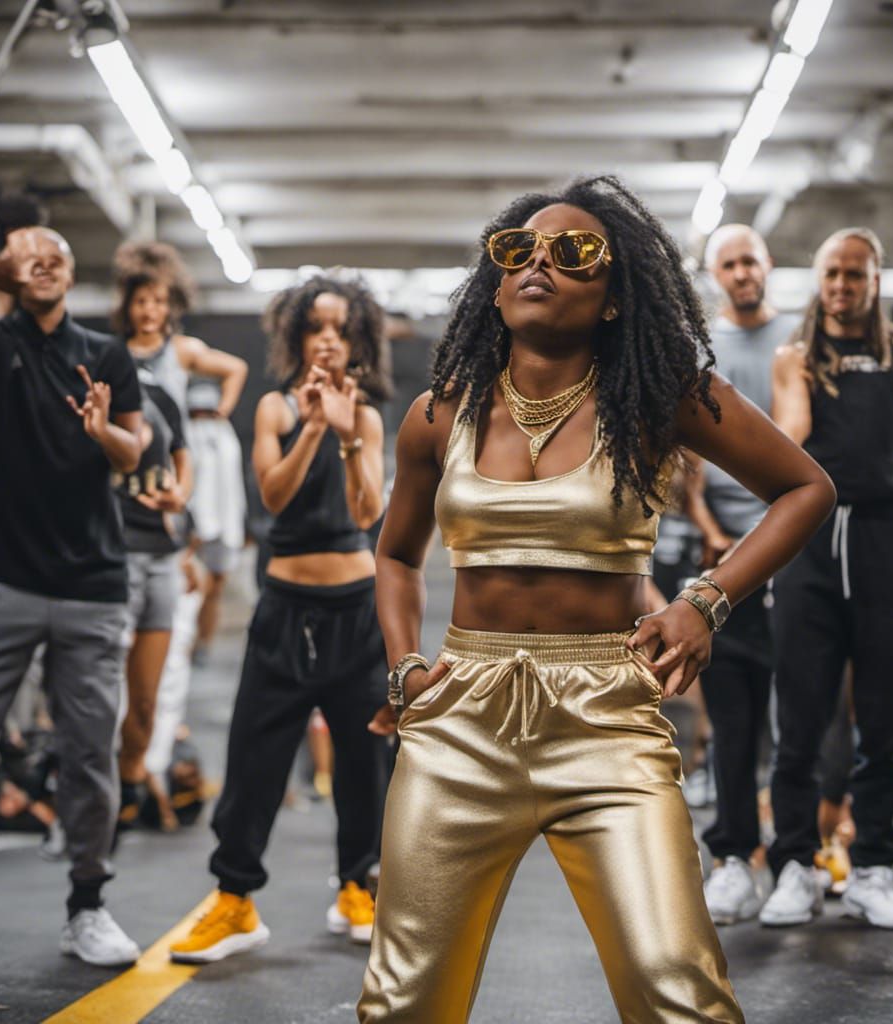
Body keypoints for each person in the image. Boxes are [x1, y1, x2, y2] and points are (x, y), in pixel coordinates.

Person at [357, 176, 835, 1023]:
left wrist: (704, 601)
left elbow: (805, 488)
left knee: (677, 990)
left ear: (615, 299)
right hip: (460, 718)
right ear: (495, 283)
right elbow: (395, 556)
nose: (540, 260)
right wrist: (407, 672)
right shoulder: (437, 415)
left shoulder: (659, 399)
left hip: (607, 716)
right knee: (406, 1003)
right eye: (520, 249)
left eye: (576, 252)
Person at [170, 274, 393, 963]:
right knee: (255, 760)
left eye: (340, 326)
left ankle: (358, 886)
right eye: (316, 326)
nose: (328, 337)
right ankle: (235, 902)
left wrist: (351, 437)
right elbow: (274, 493)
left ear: (356, 339)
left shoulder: (372, 414)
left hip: (356, 612)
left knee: (366, 763)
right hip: (286, 610)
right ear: (296, 335)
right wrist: (314, 427)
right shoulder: (273, 408)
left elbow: (365, 515)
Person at [761, 227, 893, 931]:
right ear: (818, 278)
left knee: (884, 721)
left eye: (855, 275)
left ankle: (871, 867)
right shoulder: (794, 355)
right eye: (832, 273)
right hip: (811, 539)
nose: (842, 285)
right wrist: (802, 388)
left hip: (885, 538)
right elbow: (790, 436)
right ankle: (796, 866)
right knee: (801, 716)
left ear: (874, 280)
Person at [0, 211, 143, 964]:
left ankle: (87, 903)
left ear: (74, 274)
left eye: (57, 254)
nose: (43, 260)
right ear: (9, 271)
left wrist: (102, 431)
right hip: (2, 579)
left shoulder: (106, 353)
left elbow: (132, 453)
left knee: (88, 754)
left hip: (92, 586)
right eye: (28, 253)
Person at [683, 224, 797, 924]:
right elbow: (687, 464)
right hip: (720, 555)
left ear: (767, 265)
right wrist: (712, 534)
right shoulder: (701, 353)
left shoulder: (795, 344)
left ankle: (798, 860)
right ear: (715, 274)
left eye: (750, 259)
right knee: (730, 717)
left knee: (798, 719)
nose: (741, 272)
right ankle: (731, 857)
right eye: (728, 263)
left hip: (788, 547)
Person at [111, 241, 248, 664]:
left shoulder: (181, 349)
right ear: (128, 305)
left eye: (159, 301)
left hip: (178, 463)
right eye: (141, 301)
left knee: (188, 548)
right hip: (127, 466)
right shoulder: (114, 354)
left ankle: (184, 647)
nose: (150, 310)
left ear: (172, 305)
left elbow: (236, 368)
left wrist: (222, 410)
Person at [113, 365, 193, 829]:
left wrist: (180, 502)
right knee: (106, 696)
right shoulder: (92, 393)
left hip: (161, 553)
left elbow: (182, 459)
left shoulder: (160, 393)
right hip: (112, 553)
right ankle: (99, 792)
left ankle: (130, 784)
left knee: (147, 700)